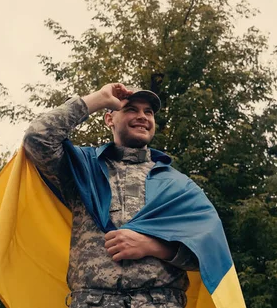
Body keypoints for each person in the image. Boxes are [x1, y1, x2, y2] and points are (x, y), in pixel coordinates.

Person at [23, 83, 200, 308]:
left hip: (161, 302)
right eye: (131, 109)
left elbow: (205, 254)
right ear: (109, 119)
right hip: (93, 302)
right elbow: (37, 138)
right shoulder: (83, 169)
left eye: (149, 112)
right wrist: (98, 99)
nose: (142, 116)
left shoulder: (176, 184)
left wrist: (152, 246)